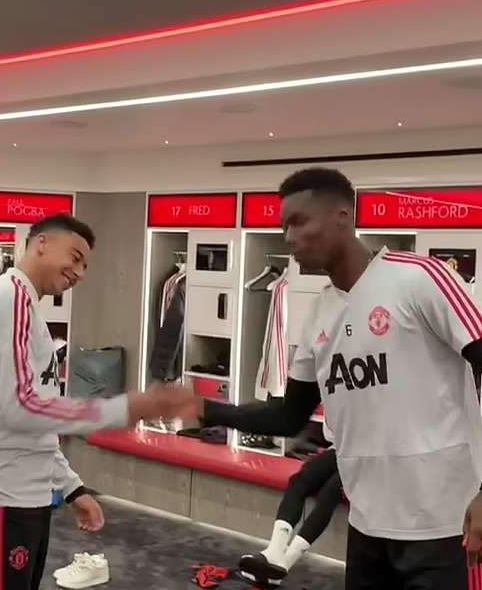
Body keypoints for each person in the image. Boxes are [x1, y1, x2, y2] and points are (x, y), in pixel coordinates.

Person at [196, 168, 482, 590]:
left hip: (442, 524)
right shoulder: (318, 315)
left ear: (342, 216)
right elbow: (289, 417)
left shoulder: (419, 278)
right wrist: (202, 409)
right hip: (367, 524)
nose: (288, 237)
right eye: (283, 226)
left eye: (298, 222)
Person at [0, 213, 194, 590]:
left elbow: (37, 416)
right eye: (76, 256)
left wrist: (70, 487)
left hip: (22, 497)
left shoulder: (28, 307)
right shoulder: (9, 297)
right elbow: (23, 408)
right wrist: (128, 408)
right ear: (42, 243)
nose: (80, 272)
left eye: (86, 265)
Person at [239, 421, 342, 585]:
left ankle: (285, 562)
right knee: (299, 481)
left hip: (371, 457)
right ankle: (274, 551)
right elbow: (329, 432)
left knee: (329, 492)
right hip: (341, 448)